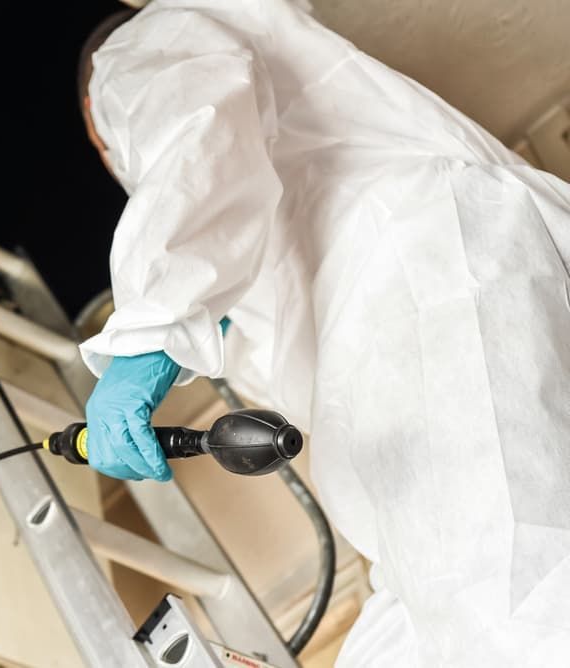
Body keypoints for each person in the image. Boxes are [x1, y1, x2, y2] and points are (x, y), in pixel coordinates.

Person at [76, 1, 570, 665]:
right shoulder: (276, 241)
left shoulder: (132, 51)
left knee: (513, 597)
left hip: (420, 280)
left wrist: (147, 340)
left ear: (96, 119)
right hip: (408, 329)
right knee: (442, 609)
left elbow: (198, 130)